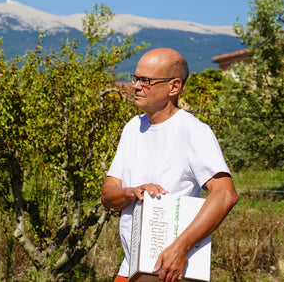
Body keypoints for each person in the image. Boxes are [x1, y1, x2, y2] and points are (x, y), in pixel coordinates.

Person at [100, 48, 239, 282]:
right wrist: (131, 192)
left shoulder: (194, 131)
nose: (135, 86)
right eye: (137, 79)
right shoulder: (132, 128)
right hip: (131, 268)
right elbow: (107, 196)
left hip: (169, 272)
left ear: (174, 87)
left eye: (146, 81)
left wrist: (180, 249)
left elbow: (226, 195)